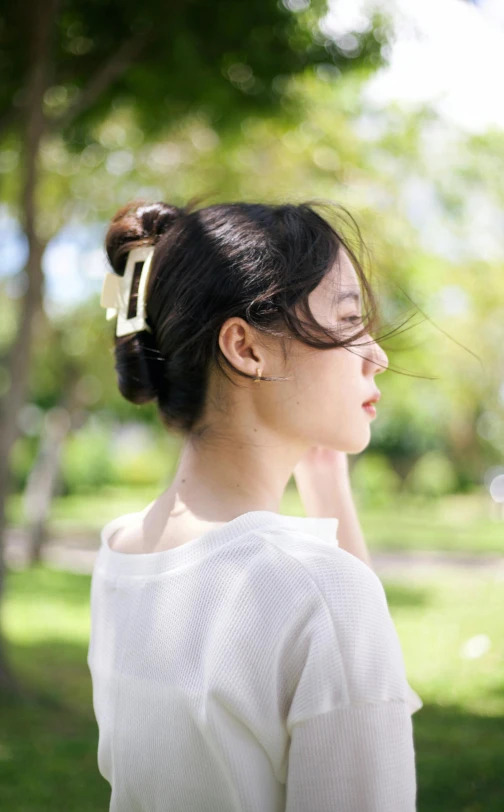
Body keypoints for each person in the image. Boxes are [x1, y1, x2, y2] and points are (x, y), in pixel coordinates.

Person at [87, 197, 422, 812]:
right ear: (246, 348)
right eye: (349, 320)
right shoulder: (320, 591)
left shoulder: (121, 552)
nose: (378, 355)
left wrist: (323, 473)